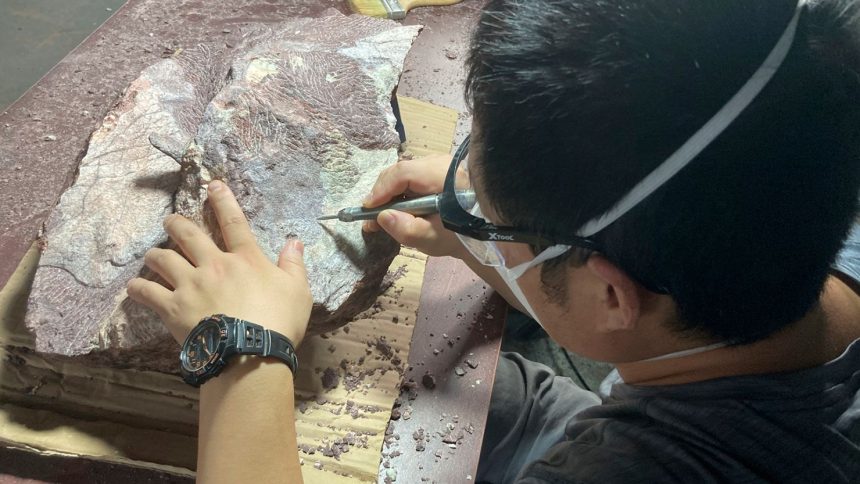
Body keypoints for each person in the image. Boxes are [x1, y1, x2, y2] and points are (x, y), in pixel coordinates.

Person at [127, 0, 860, 482]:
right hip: (623, 393)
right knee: (459, 398)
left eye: (493, 220)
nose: (465, 208)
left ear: (611, 294)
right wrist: (482, 237)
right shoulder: (802, 161)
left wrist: (242, 354)